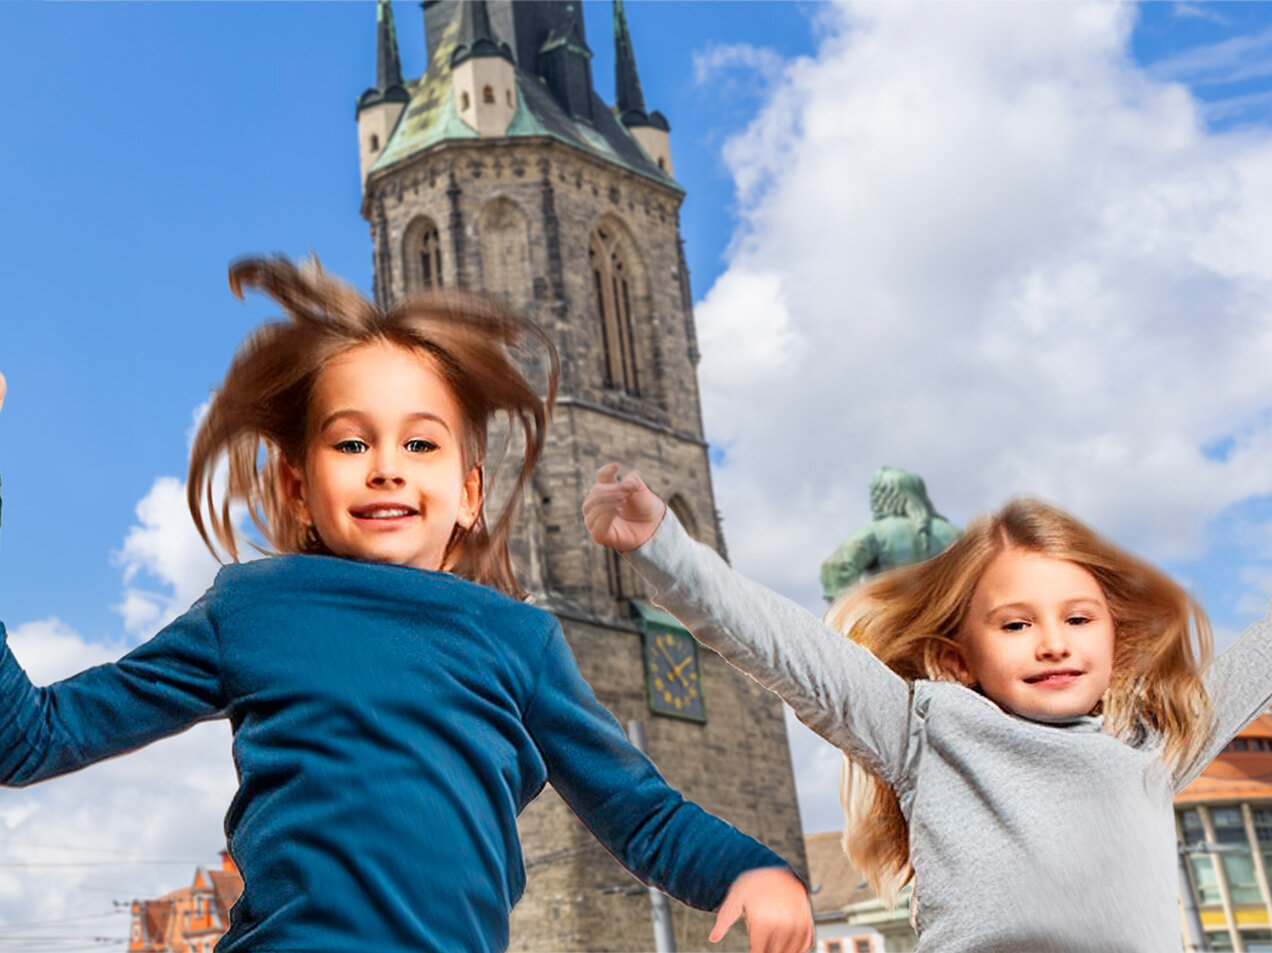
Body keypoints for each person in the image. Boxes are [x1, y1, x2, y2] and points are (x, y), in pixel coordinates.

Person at [0, 260, 813, 953]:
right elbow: (33, 738)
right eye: (351, 442)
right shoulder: (251, 606)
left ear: (468, 491)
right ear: (298, 487)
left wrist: (748, 866)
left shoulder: (517, 639)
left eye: (419, 442)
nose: (386, 465)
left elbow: (641, 814)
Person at [584, 464, 1272, 953]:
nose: (1054, 642)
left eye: (1079, 618)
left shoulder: (1153, 747)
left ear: (1114, 641)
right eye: (1016, 625)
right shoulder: (927, 730)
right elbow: (787, 648)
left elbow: (1256, 664)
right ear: (957, 658)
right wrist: (663, 547)